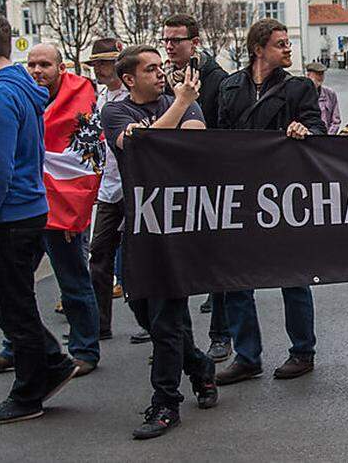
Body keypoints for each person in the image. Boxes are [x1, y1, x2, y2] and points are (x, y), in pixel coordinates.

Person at [0, 13, 80, 425]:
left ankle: (29, 392)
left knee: (14, 303)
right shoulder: (18, 88)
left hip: (9, 215)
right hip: (26, 209)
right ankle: (50, 359)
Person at [100, 45, 219, 439]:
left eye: (160, 68)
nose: (160, 74)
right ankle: (200, 367)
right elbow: (136, 147)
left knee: (167, 318)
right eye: (150, 70)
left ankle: (166, 403)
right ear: (129, 79)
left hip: (175, 226)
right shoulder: (115, 111)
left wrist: (178, 108)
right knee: (143, 311)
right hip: (136, 228)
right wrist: (178, 107)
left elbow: (188, 146)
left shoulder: (183, 102)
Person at [215, 18, 325, 385]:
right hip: (241, 193)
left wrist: (304, 131)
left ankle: (302, 351)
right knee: (236, 279)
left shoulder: (299, 89)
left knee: (293, 276)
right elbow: (217, 139)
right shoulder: (230, 88)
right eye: (280, 44)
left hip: (283, 194)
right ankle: (247, 355)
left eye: (288, 42)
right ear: (258, 49)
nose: (288, 49)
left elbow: (318, 131)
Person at [0, 42, 101, 375]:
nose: (37, 70)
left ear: (60, 68)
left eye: (44, 65)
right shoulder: (20, 94)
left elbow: (84, 160)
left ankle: (85, 351)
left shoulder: (82, 101)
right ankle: (17, 346)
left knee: (73, 281)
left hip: (62, 205)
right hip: (27, 205)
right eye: (32, 64)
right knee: (15, 286)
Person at [158, 14, 233, 363]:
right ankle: (178, 341)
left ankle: (221, 334)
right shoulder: (159, 78)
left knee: (216, 263)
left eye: (177, 40)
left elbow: (222, 128)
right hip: (170, 180)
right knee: (175, 265)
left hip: (209, 178)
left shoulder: (216, 80)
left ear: (194, 42)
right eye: (166, 40)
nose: (170, 46)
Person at [85, 38, 131, 341]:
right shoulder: (99, 97)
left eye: (103, 62)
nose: (98, 69)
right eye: (96, 64)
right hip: (108, 187)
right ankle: (101, 323)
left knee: (138, 258)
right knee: (99, 255)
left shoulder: (135, 96)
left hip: (132, 186)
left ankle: (149, 323)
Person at [304, 62, 341, 134]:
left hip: (326, 138)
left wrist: (328, 137)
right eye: (317, 74)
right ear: (308, 75)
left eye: (322, 74)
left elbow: (336, 121)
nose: (320, 77)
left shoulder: (330, 94)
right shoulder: (301, 94)